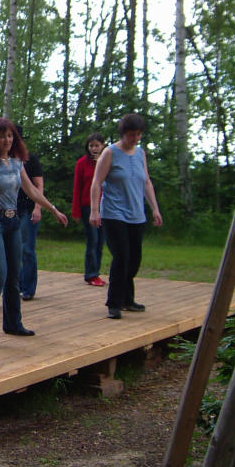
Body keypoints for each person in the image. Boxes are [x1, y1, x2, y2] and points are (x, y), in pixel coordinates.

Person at [0, 118, 67, 348]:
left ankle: (13, 323)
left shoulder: (17, 163)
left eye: (10, 136)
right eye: (2, 136)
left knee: (14, 275)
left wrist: (53, 210)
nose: (7, 140)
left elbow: (32, 191)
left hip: (13, 222)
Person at [89, 114, 162, 320]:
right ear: (122, 134)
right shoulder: (109, 153)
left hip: (136, 214)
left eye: (138, 134)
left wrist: (155, 208)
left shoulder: (140, 153)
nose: (135, 138)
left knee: (134, 260)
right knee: (121, 257)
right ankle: (114, 303)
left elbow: (146, 182)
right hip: (114, 213)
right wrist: (94, 210)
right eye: (131, 135)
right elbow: (96, 182)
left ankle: (128, 299)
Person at [72, 133, 106, 286]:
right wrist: (76, 211)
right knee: (93, 239)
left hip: (105, 207)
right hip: (87, 207)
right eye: (91, 146)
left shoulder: (107, 162)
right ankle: (91, 274)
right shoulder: (81, 163)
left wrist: (100, 163)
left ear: (103, 146)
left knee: (101, 241)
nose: (94, 148)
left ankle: (96, 272)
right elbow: (77, 188)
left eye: (97, 145)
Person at [15, 126, 43, 301]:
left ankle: (28, 288)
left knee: (27, 248)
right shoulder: (5, 160)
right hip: (11, 209)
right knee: (13, 249)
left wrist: (38, 208)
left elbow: (38, 185)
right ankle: (16, 285)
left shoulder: (30, 159)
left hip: (28, 208)